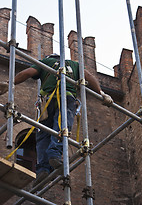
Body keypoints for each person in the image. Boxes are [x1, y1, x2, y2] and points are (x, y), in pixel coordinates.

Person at [2, 54, 113, 186]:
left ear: (51, 58)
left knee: (43, 134)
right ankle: (54, 154)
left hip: (47, 101)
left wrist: (10, 83)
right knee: (61, 127)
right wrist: (102, 93)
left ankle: (42, 168)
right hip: (67, 99)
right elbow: (88, 77)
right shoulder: (75, 65)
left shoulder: (45, 62)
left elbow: (27, 72)